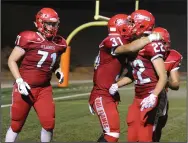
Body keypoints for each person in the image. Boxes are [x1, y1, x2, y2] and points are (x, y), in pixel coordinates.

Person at [88, 13, 162, 142]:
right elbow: (131, 47)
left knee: (111, 133)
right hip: (102, 94)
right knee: (112, 134)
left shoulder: (124, 42)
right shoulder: (113, 39)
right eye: (129, 23)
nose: (131, 26)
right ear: (120, 27)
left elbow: (132, 73)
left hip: (108, 93)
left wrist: (117, 84)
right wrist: (150, 37)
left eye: (132, 23)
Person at [5, 8, 66, 142]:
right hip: (25, 88)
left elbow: (54, 62)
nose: (53, 26)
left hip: (44, 89)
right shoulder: (29, 37)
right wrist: (19, 81)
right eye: (49, 23)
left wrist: (57, 71)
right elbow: (12, 60)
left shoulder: (60, 42)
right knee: (16, 125)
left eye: (55, 23)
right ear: (40, 23)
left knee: (49, 124)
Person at [109, 10, 168, 142]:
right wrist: (117, 84)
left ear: (142, 24)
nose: (129, 26)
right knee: (131, 124)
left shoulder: (152, 45)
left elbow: (163, 77)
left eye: (132, 23)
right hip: (138, 95)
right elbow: (132, 74)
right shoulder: (135, 45)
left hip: (150, 94)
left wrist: (154, 95)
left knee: (144, 130)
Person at [152, 27, 183, 142]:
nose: (161, 47)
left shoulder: (172, 56)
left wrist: (165, 80)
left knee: (159, 124)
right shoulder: (143, 52)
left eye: (163, 43)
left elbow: (175, 84)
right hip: (144, 92)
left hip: (161, 96)